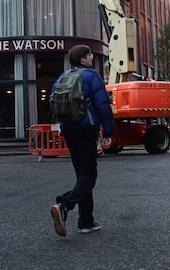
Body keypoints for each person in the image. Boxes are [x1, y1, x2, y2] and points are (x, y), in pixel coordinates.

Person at [50, 45, 114, 237]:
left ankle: (86, 221)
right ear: (83, 59)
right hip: (87, 130)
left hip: (69, 130)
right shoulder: (91, 76)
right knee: (89, 175)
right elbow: (103, 105)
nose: (92, 57)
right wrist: (108, 132)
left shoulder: (62, 77)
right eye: (89, 55)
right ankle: (64, 204)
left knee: (82, 176)